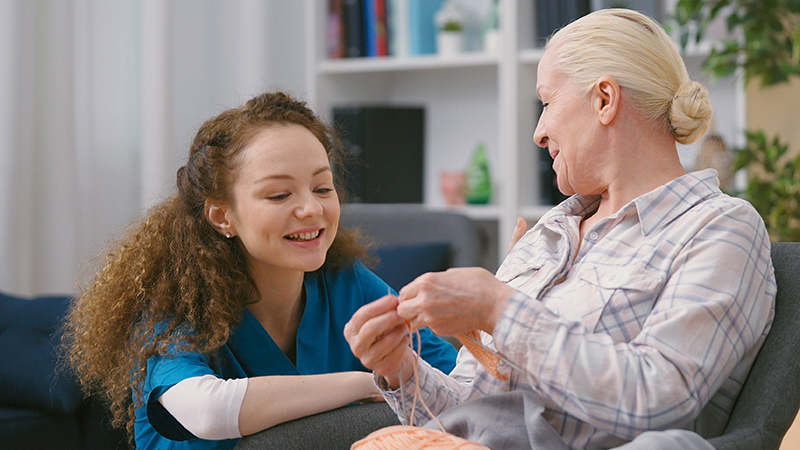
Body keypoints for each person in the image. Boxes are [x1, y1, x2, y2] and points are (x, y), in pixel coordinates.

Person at [345, 8, 776, 450]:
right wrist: (400, 369)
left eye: (547, 103)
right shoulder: (548, 233)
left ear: (604, 99)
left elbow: (661, 395)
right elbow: (472, 407)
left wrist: (499, 308)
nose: (538, 132)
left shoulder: (719, 228)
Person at [61, 92, 457, 450]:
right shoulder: (178, 305)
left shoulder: (346, 282)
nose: (312, 209)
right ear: (222, 216)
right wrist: (369, 383)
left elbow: (457, 382)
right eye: (280, 194)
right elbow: (206, 411)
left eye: (323, 188)